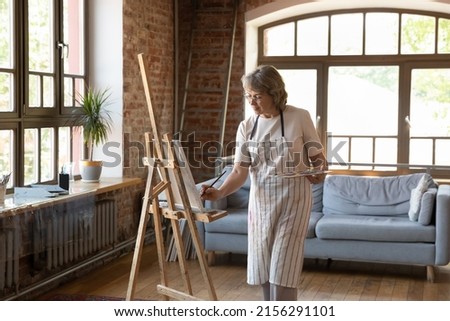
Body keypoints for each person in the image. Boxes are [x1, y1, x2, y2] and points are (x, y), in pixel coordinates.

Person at [200, 65, 328, 301]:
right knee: (264, 264)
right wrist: (218, 193)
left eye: (257, 96)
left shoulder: (299, 116)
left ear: (275, 93)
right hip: (261, 203)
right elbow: (240, 171)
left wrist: (319, 171)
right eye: (248, 96)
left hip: (294, 201)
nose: (252, 102)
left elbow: (319, 159)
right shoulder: (247, 126)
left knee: (284, 264)